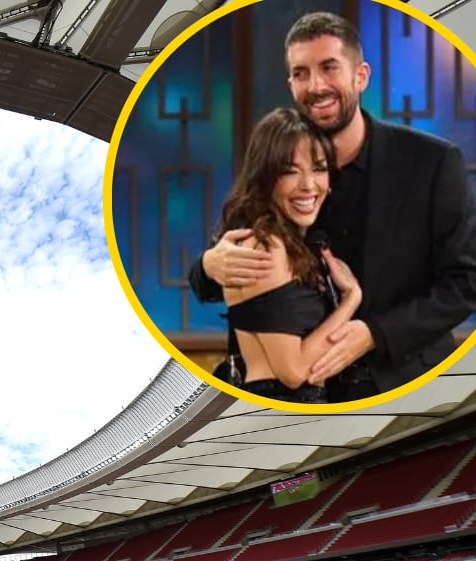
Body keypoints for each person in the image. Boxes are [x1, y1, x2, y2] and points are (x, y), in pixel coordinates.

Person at [189, 11, 476, 401]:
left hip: (402, 385)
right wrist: (208, 266)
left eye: (329, 68)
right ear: (290, 84)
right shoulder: (274, 168)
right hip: (288, 396)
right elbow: (219, 273)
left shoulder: (432, 163)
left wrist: (376, 332)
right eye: (301, 73)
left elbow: (466, 283)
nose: (316, 85)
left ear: (361, 75)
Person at [216, 107, 362, 402]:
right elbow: (293, 372)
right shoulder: (267, 246)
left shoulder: (289, 242)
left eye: (318, 169)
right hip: (282, 399)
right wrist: (351, 300)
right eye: (289, 171)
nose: (308, 185)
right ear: (265, 177)